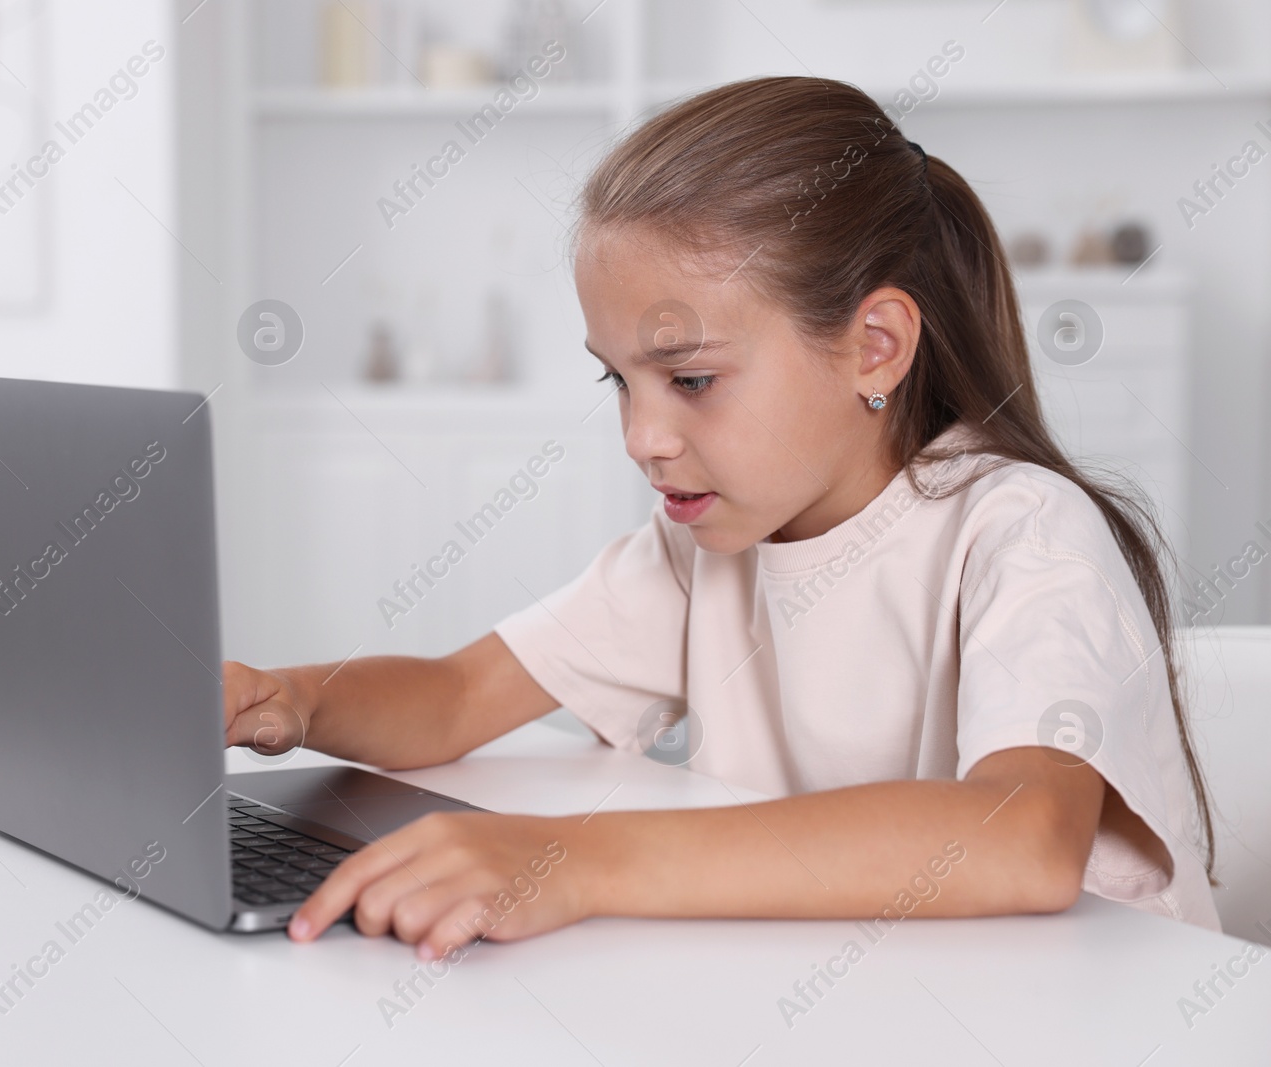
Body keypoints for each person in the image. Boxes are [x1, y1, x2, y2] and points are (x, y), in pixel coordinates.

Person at [223, 76, 1220, 960]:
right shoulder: (701, 546)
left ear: (874, 345)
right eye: (618, 380)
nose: (641, 436)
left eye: (690, 377)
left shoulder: (1022, 532)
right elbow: (451, 696)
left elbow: (1023, 838)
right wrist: (288, 698)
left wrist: (577, 858)